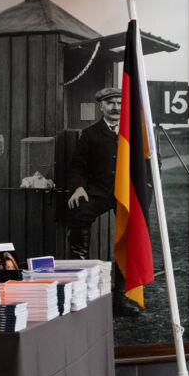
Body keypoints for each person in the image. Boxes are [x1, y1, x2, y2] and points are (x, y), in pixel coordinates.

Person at [65, 87, 122, 259]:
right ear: (101, 107)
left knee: (132, 227)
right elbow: (77, 165)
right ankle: (80, 269)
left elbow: (150, 161)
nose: (115, 107)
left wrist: (146, 188)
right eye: (110, 103)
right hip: (99, 190)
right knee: (79, 209)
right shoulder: (90, 134)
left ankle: (123, 284)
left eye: (119, 103)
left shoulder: (133, 132)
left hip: (126, 191)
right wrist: (78, 187)